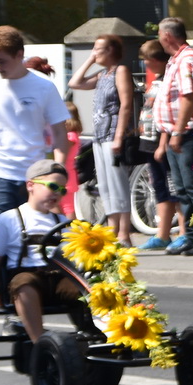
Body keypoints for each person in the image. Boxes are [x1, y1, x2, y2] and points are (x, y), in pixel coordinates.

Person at [0, 159, 83, 342]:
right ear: (31, 185)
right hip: (27, 275)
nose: (57, 193)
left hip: (58, 277)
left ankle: (94, 336)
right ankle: (39, 340)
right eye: (53, 186)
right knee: (24, 283)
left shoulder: (62, 220)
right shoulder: (10, 218)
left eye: (62, 190)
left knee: (85, 289)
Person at [0, 26, 76, 224]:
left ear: (20, 55)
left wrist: (57, 171)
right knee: (4, 232)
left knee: (32, 235)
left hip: (35, 173)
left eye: (2, 61)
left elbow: (60, 133)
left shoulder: (43, 86)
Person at [68, 34, 138, 243]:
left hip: (112, 135)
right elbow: (75, 83)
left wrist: (119, 136)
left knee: (118, 184)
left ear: (110, 51)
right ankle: (111, 229)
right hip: (99, 136)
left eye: (98, 49)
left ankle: (124, 233)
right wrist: (90, 60)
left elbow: (126, 104)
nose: (94, 52)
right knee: (106, 186)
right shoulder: (101, 75)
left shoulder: (120, 71)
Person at [153, 17, 193, 254]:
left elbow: (189, 97)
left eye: (159, 34)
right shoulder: (176, 61)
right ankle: (191, 235)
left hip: (188, 133)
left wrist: (177, 131)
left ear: (167, 36)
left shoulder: (187, 60)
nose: (158, 39)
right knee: (182, 189)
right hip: (177, 133)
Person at [138, 40, 183, 251]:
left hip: (160, 142)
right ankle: (163, 234)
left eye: (146, 61)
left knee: (174, 187)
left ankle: (184, 232)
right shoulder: (157, 79)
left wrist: (162, 143)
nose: (145, 65)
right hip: (148, 141)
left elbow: (167, 114)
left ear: (155, 60)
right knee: (159, 188)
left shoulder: (168, 79)